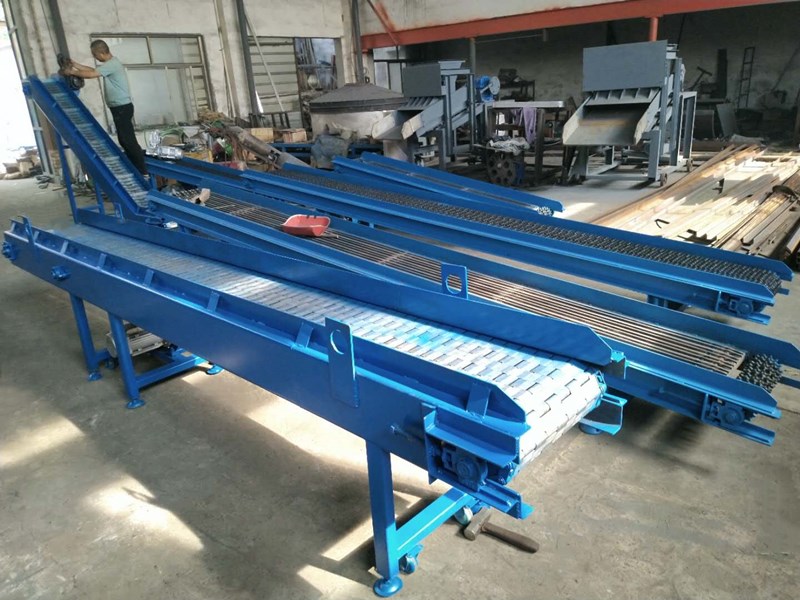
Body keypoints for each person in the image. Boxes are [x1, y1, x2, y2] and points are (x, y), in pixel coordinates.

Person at [66, 40, 147, 174]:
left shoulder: (113, 64)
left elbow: (92, 74)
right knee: (124, 140)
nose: (95, 57)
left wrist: (71, 72)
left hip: (122, 108)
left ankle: (142, 172)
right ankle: (135, 168)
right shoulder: (110, 64)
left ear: (101, 53)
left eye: (95, 55)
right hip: (119, 108)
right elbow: (93, 71)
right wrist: (75, 65)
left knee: (128, 140)